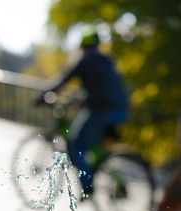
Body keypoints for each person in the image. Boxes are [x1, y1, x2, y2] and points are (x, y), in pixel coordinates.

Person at [35, 28, 129, 199]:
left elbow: (62, 81)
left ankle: (87, 187)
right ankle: (113, 179)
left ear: (83, 47)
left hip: (102, 111)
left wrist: (43, 96)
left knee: (77, 146)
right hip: (120, 111)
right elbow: (104, 88)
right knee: (93, 145)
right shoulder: (107, 61)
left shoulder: (84, 62)